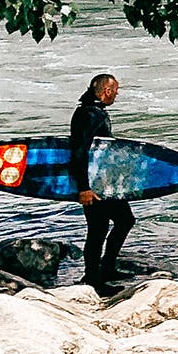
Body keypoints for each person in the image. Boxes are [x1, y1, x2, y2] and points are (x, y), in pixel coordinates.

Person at [69, 74, 131, 292]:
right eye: (115, 90)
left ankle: (106, 269)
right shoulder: (90, 114)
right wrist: (84, 188)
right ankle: (93, 278)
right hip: (94, 185)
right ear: (107, 91)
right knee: (99, 229)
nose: (117, 94)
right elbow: (79, 151)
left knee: (122, 221)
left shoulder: (92, 111)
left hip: (103, 183)